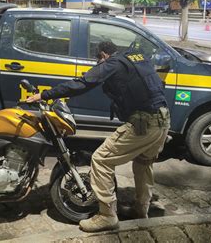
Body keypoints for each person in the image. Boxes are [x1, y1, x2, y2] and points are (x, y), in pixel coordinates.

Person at [26, 41, 170, 232]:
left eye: (98, 59)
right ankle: (140, 210)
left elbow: (83, 83)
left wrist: (44, 95)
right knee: (143, 164)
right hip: (163, 119)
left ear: (103, 55)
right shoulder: (136, 58)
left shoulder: (112, 63)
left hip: (145, 122)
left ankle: (107, 216)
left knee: (101, 160)